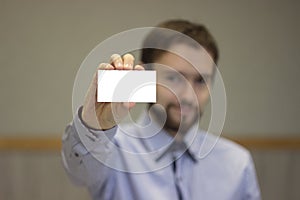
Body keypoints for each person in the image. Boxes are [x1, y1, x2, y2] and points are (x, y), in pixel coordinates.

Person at [62, 19, 261, 200]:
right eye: (174, 78)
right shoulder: (112, 151)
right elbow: (79, 172)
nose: (188, 96)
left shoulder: (236, 163)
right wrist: (95, 125)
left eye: (200, 81)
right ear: (144, 77)